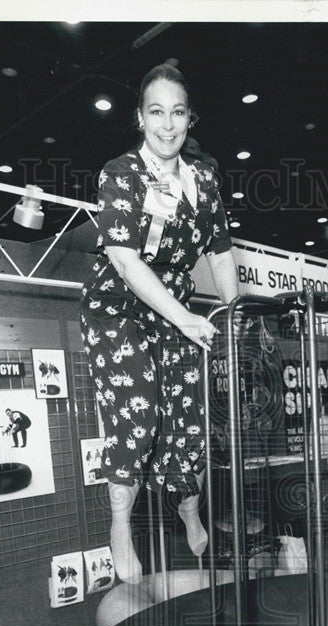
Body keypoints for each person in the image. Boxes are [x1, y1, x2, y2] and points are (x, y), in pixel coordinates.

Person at [79, 63, 238, 583]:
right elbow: (126, 261)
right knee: (140, 414)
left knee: (187, 420)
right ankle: (119, 523)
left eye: (177, 113)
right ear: (139, 118)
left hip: (175, 310)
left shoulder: (206, 180)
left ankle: (187, 505)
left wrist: (230, 314)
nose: (167, 125)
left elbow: (220, 252)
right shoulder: (120, 173)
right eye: (156, 112)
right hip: (120, 308)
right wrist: (187, 318)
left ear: (191, 118)